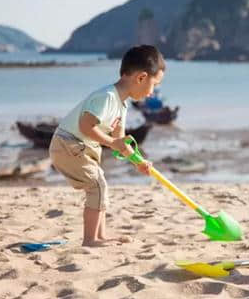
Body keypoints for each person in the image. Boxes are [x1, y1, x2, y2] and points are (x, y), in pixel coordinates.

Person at [49, 45, 165, 247]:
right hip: (68, 144)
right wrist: (112, 142)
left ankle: (99, 236)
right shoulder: (107, 97)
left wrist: (138, 161)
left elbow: (119, 141)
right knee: (97, 186)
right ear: (141, 78)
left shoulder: (122, 104)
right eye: (154, 85)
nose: (151, 93)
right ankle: (90, 239)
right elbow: (86, 126)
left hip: (79, 147)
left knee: (100, 185)